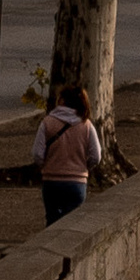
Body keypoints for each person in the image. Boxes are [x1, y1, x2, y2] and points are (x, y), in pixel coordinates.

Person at [34, 83, 103, 223]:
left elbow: (37, 154)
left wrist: (46, 166)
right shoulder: (87, 125)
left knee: (52, 222)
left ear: (62, 101)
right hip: (76, 182)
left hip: (51, 182)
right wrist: (83, 167)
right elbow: (96, 156)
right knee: (73, 224)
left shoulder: (47, 123)